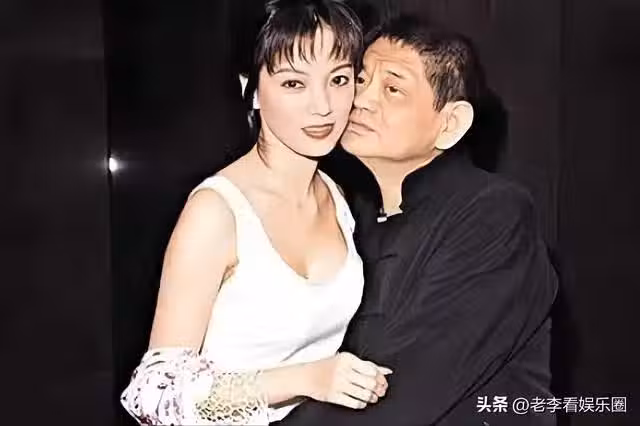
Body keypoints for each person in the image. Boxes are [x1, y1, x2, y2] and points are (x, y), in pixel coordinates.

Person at [275, 15, 559, 426]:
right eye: (359, 80)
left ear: (450, 124)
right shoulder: (348, 218)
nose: (361, 99)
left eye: (392, 89)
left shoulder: (494, 213)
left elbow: (404, 388)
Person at [120, 1, 393, 425]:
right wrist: (305, 378)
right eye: (293, 83)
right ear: (252, 87)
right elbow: (154, 396)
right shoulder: (217, 212)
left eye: (339, 79)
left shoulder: (336, 195)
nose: (322, 106)